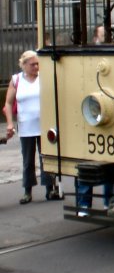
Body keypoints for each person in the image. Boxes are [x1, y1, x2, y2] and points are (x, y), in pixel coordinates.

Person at [3, 50, 59, 204]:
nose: (36, 67)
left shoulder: (44, 77)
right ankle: (27, 191)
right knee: (28, 160)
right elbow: (8, 103)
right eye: (32, 64)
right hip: (26, 126)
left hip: (44, 126)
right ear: (24, 65)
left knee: (45, 158)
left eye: (37, 64)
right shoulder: (16, 80)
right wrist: (9, 123)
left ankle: (50, 188)